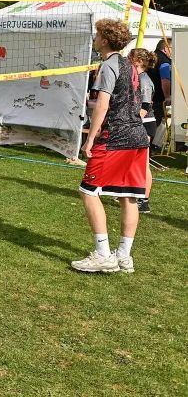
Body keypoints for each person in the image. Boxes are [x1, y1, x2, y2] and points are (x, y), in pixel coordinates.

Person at [72, 19, 148, 274]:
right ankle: (124, 256)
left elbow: (102, 105)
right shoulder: (130, 65)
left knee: (88, 191)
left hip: (116, 137)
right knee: (129, 197)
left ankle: (104, 253)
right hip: (138, 136)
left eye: (97, 35)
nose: (94, 38)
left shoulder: (109, 65)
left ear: (105, 39)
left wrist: (90, 138)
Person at [129, 48, 157, 214]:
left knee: (143, 163)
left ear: (138, 61)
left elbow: (145, 106)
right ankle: (129, 193)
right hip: (137, 123)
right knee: (131, 161)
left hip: (145, 123)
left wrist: (132, 122)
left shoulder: (144, 79)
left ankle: (144, 201)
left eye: (130, 58)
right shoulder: (134, 77)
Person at [146, 38, 171, 127]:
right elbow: (165, 79)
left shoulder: (151, 58)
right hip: (159, 99)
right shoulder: (164, 61)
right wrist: (167, 97)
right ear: (166, 48)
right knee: (158, 124)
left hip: (148, 97)